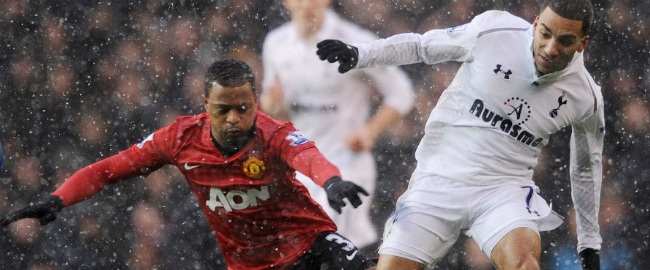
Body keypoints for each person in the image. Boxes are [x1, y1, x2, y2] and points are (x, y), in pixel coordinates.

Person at [0, 59, 377, 270]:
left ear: (255, 102)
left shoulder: (273, 133)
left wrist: (330, 182)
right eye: (223, 109)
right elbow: (108, 170)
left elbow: (307, 157)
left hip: (310, 243)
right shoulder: (178, 139)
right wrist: (58, 198)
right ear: (205, 103)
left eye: (243, 108)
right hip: (253, 266)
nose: (233, 118)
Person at [316, 0, 603, 269]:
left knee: (524, 264)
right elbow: (421, 47)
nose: (550, 48)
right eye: (546, 33)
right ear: (536, 23)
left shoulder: (586, 98)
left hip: (502, 191)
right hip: (439, 179)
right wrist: (360, 54)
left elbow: (585, 168)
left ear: (583, 43)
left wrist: (589, 243)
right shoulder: (494, 32)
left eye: (564, 41)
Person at [260, 0, 415, 249]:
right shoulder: (275, 43)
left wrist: (370, 131)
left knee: (328, 247)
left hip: (345, 163)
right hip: (300, 166)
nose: (307, 4)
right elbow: (273, 106)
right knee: (308, 251)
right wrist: (272, 104)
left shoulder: (355, 40)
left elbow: (401, 91)